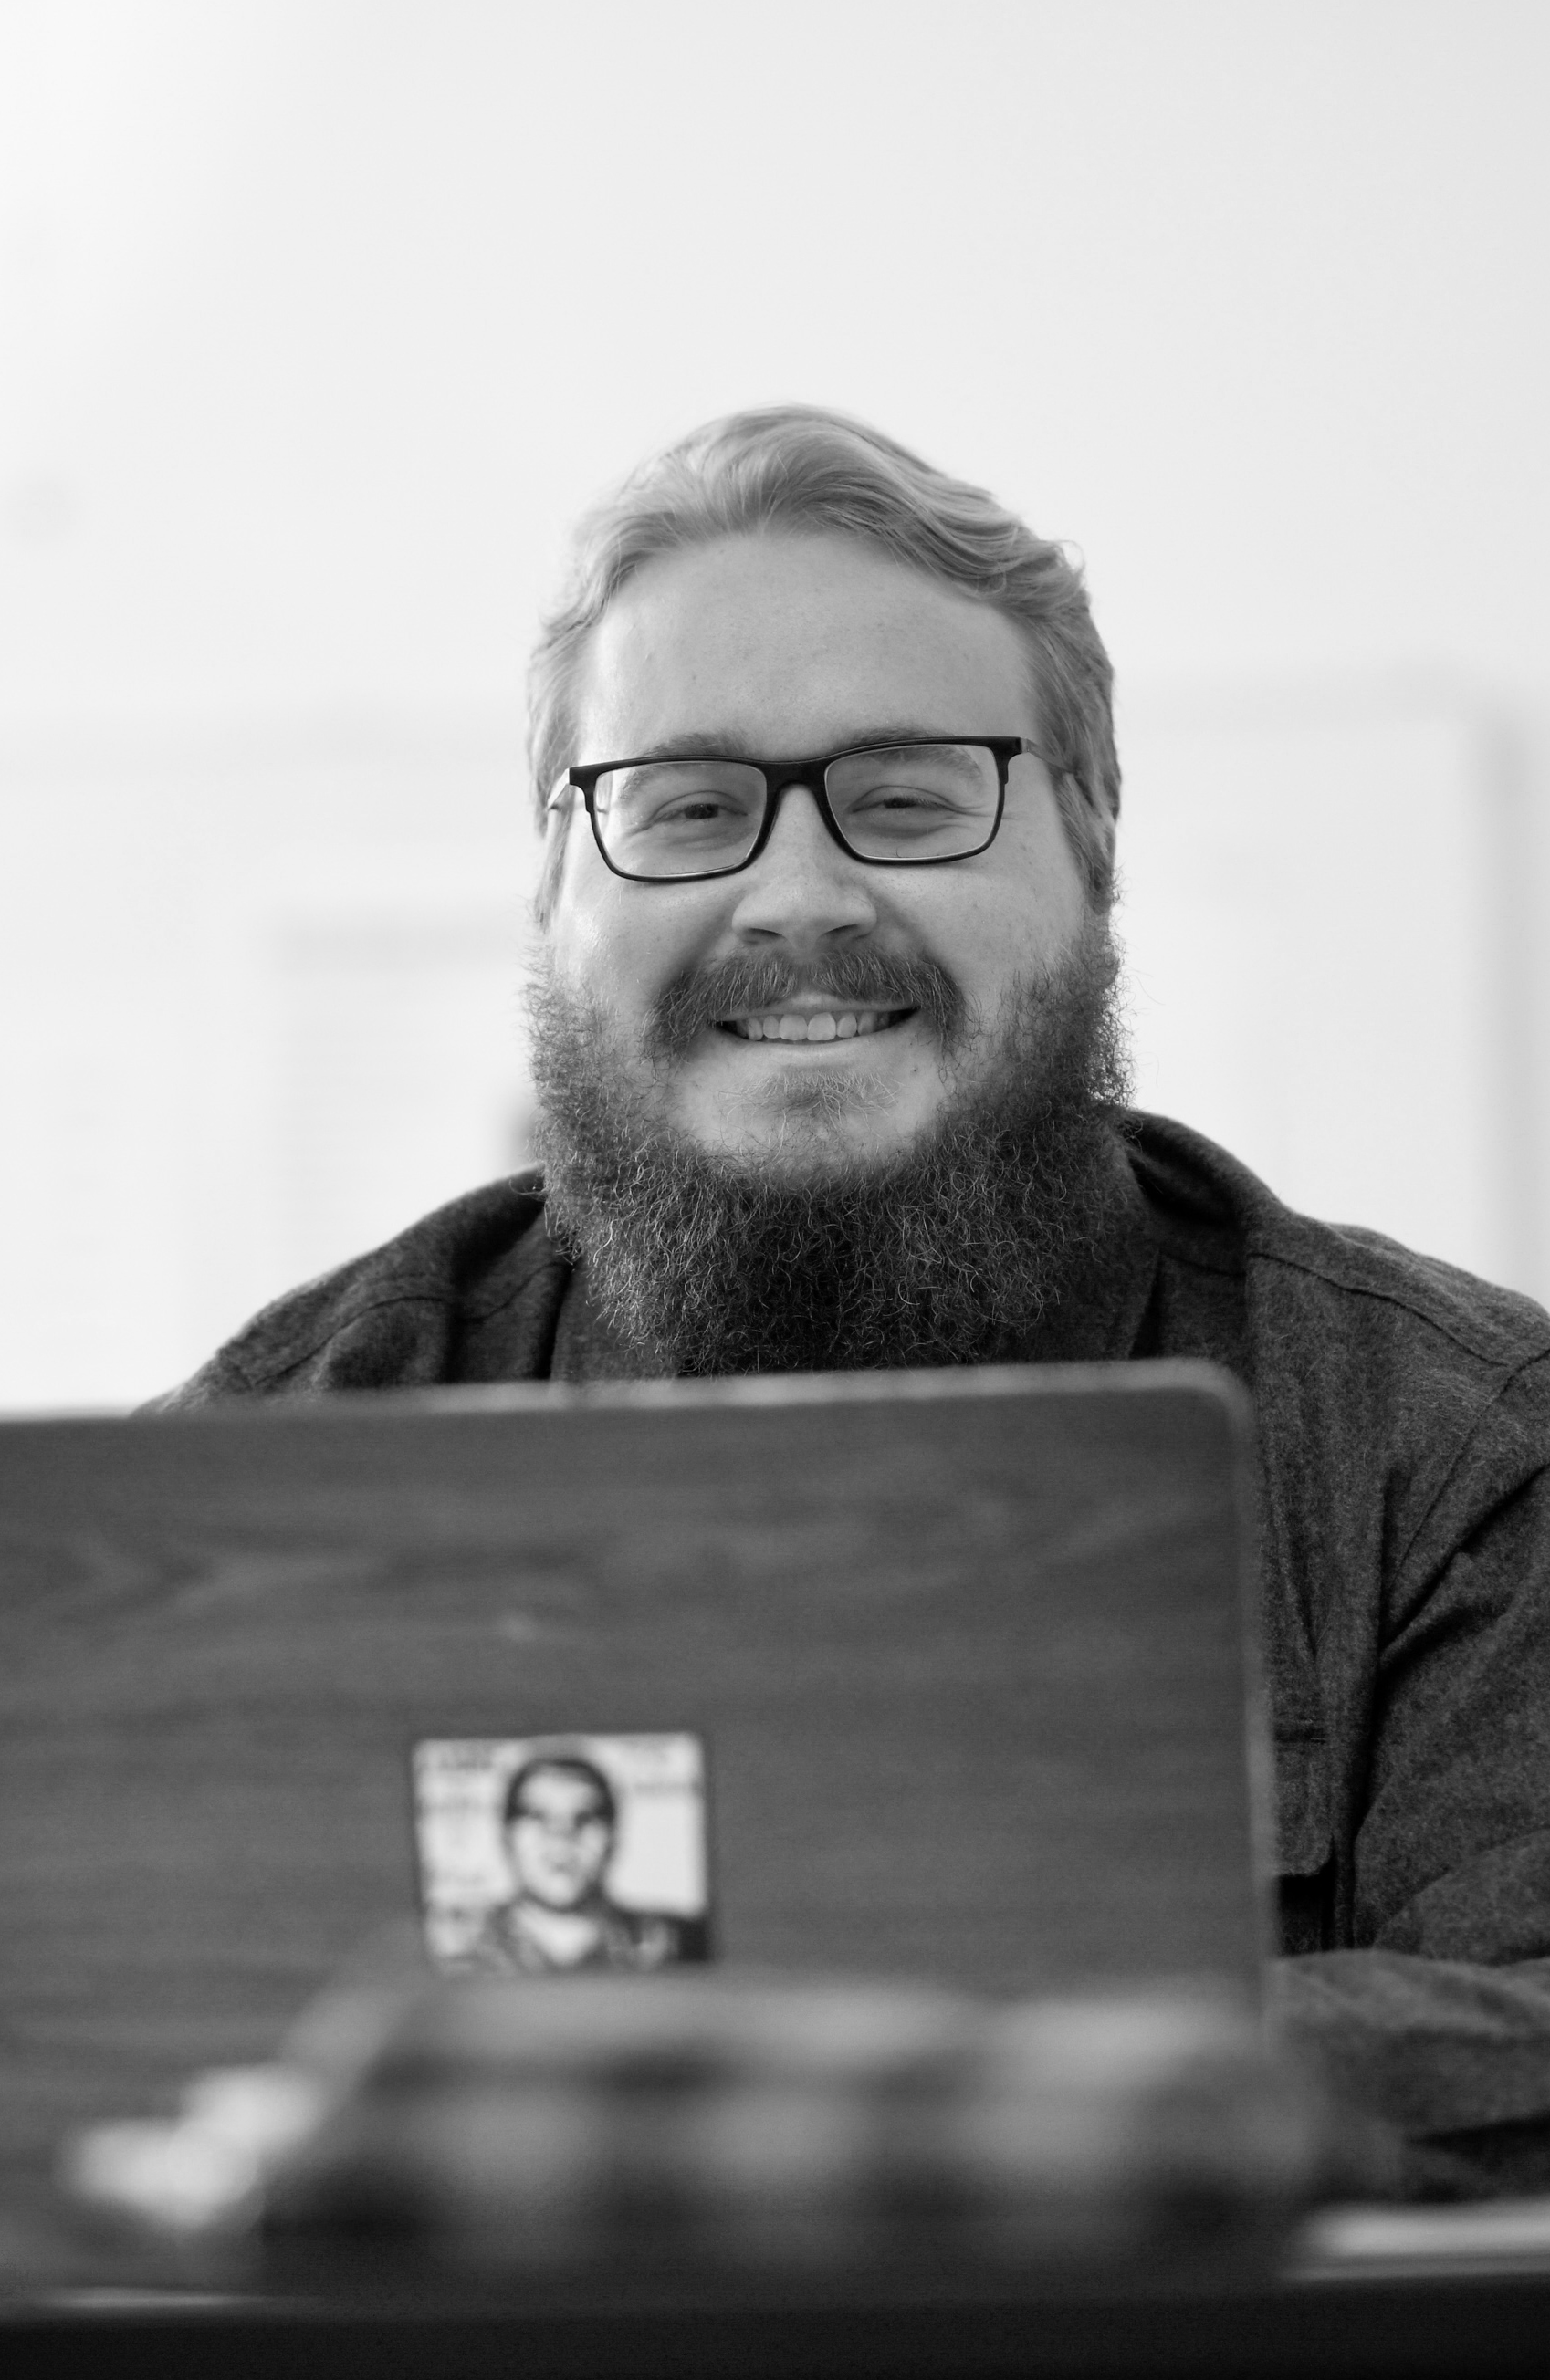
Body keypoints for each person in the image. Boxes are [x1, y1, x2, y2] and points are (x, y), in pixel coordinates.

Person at [161, 406, 1550, 2196]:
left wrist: (700, 2085)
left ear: (1093, 837)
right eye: (687, 810)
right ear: (556, 879)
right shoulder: (262, 1461)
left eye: (905, 800)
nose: (798, 897)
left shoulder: (1459, 1464)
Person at [464, 1751, 693, 1975]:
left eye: (585, 1817)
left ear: (614, 1837)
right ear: (506, 1837)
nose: (562, 1838)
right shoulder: (461, 1946)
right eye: (538, 1816)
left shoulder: (672, 1944)